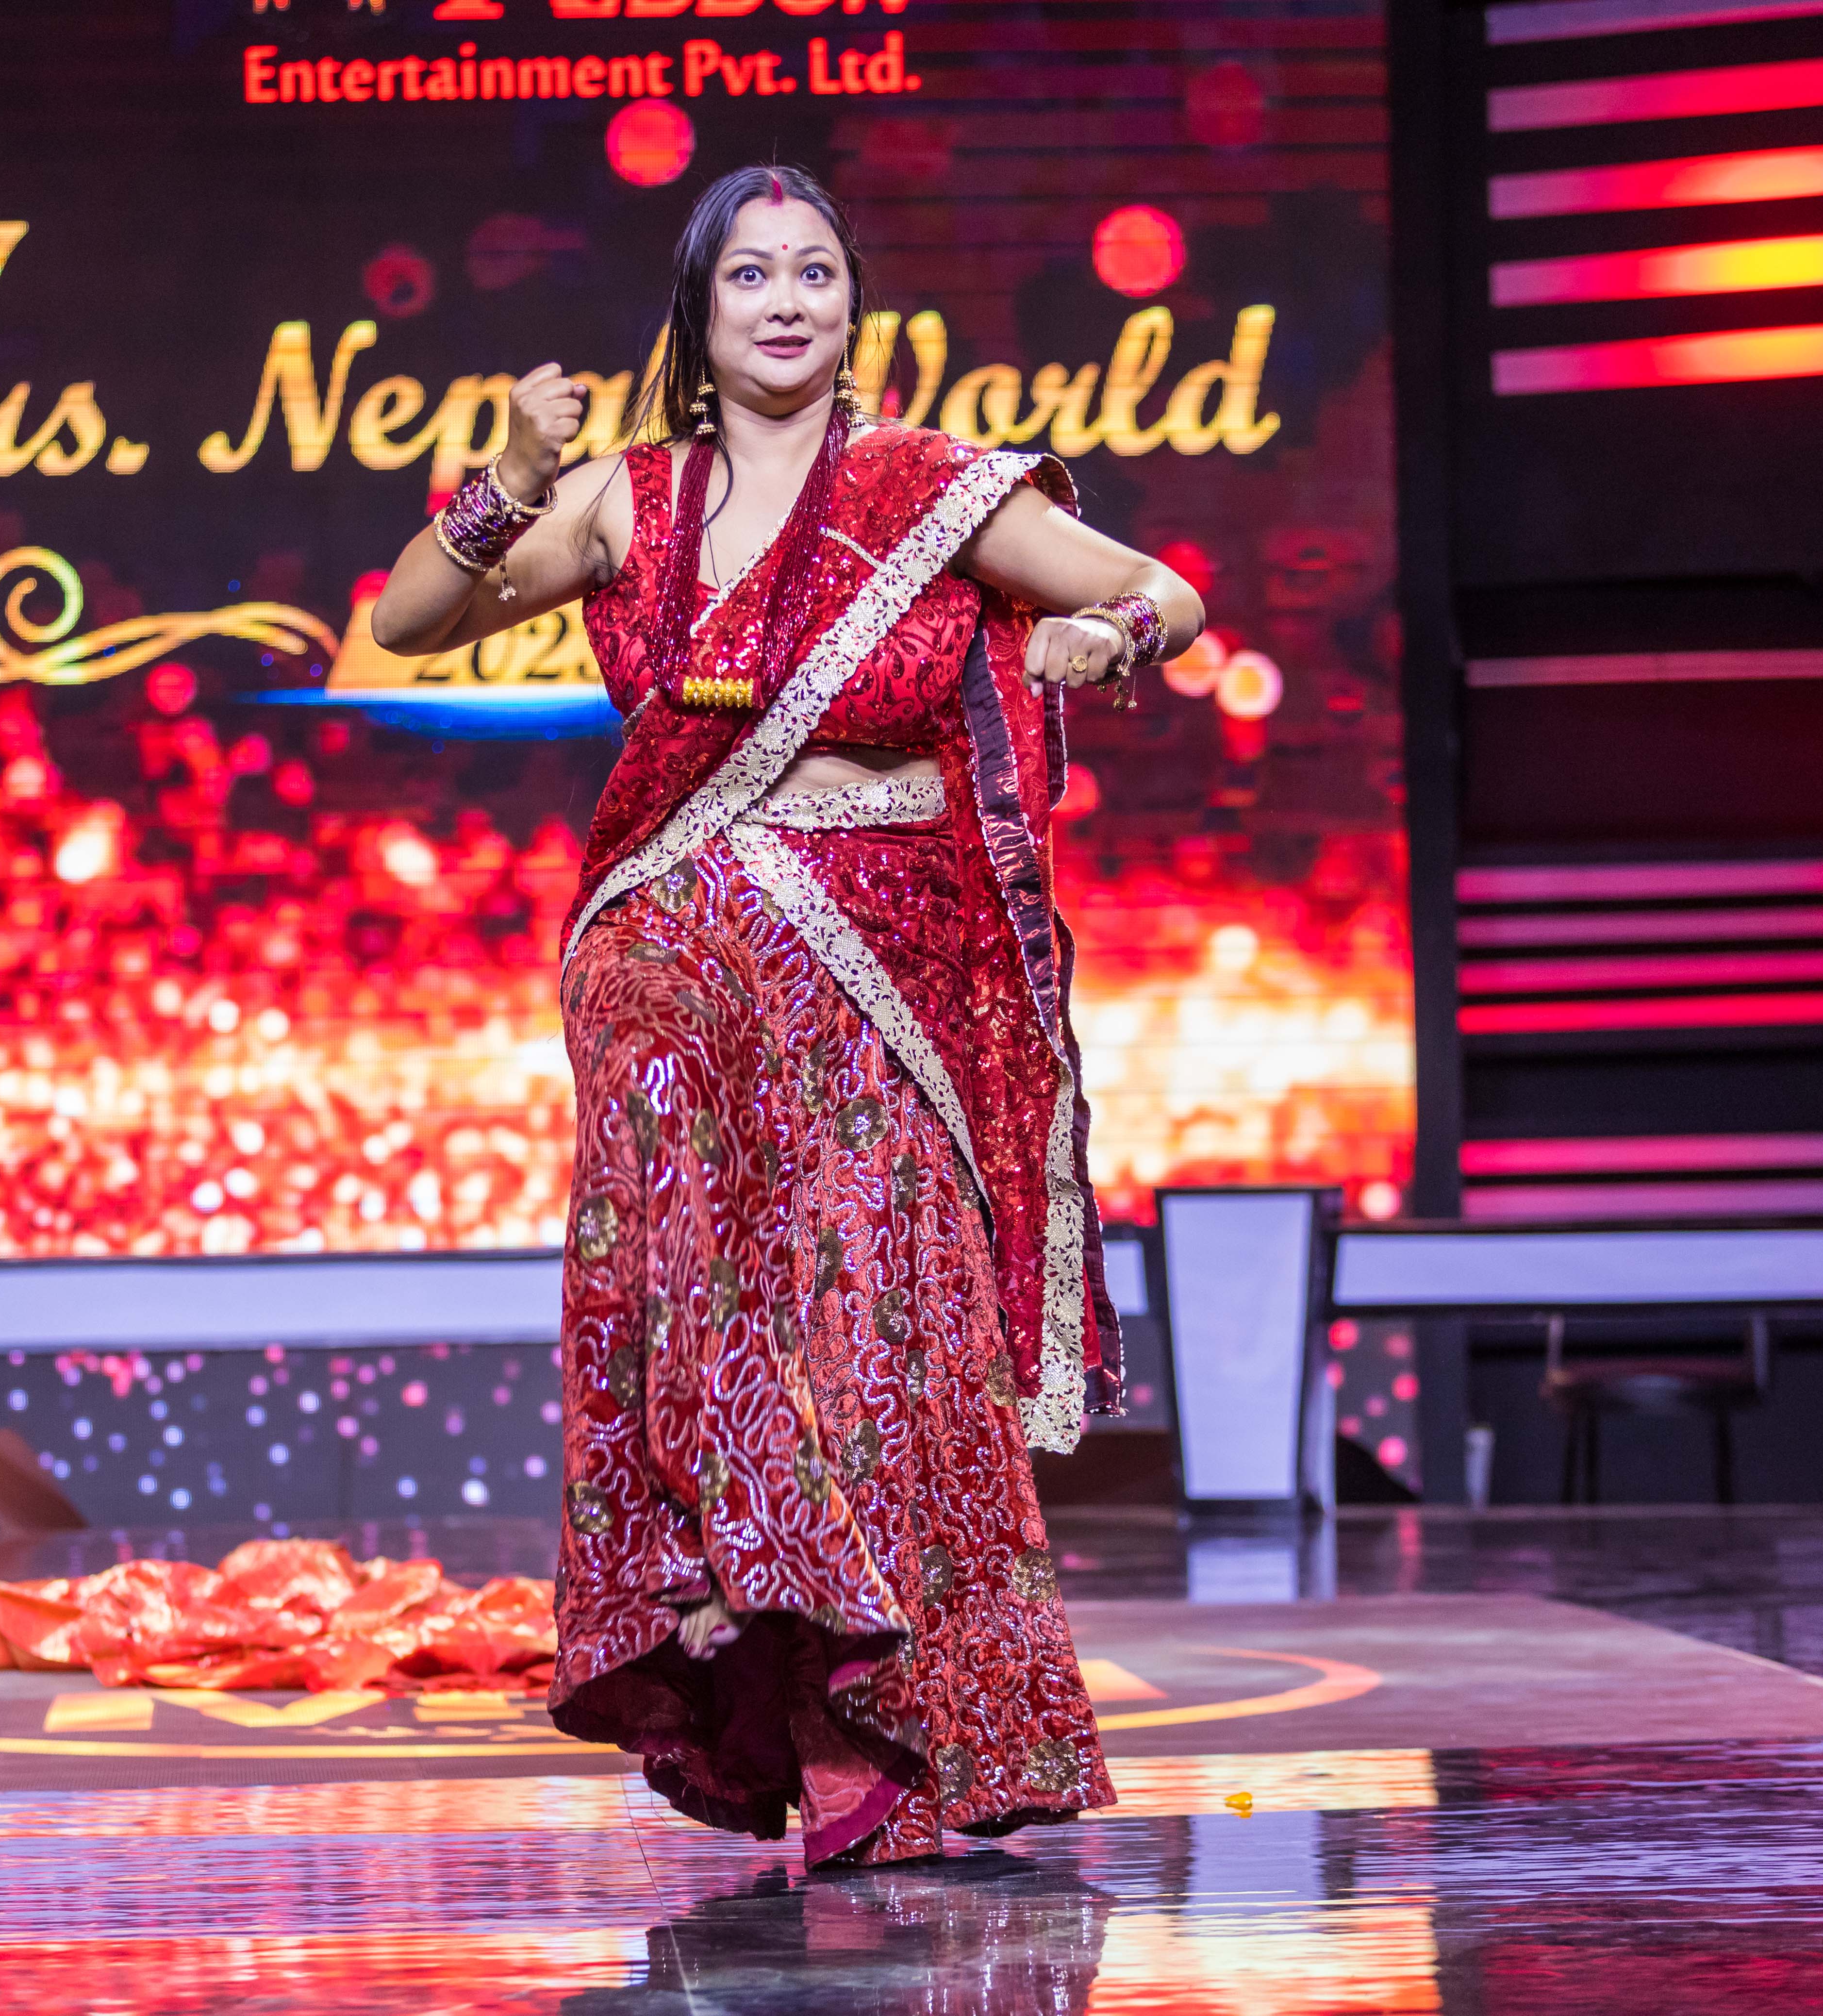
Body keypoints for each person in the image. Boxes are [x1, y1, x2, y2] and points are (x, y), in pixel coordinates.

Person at [371, 163, 1205, 1867]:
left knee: (882, 1312)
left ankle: (894, 1702)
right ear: (699, 309)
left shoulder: (930, 490)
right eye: (749, 273)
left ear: (850, 305)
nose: (785, 300)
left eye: (813, 271)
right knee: (672, 1145)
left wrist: (1102, 641)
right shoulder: (624, 500)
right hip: (673, 916)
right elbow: (407, 619)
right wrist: (509, 478)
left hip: (885, 950)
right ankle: (735, 1583)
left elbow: (1162, 590)